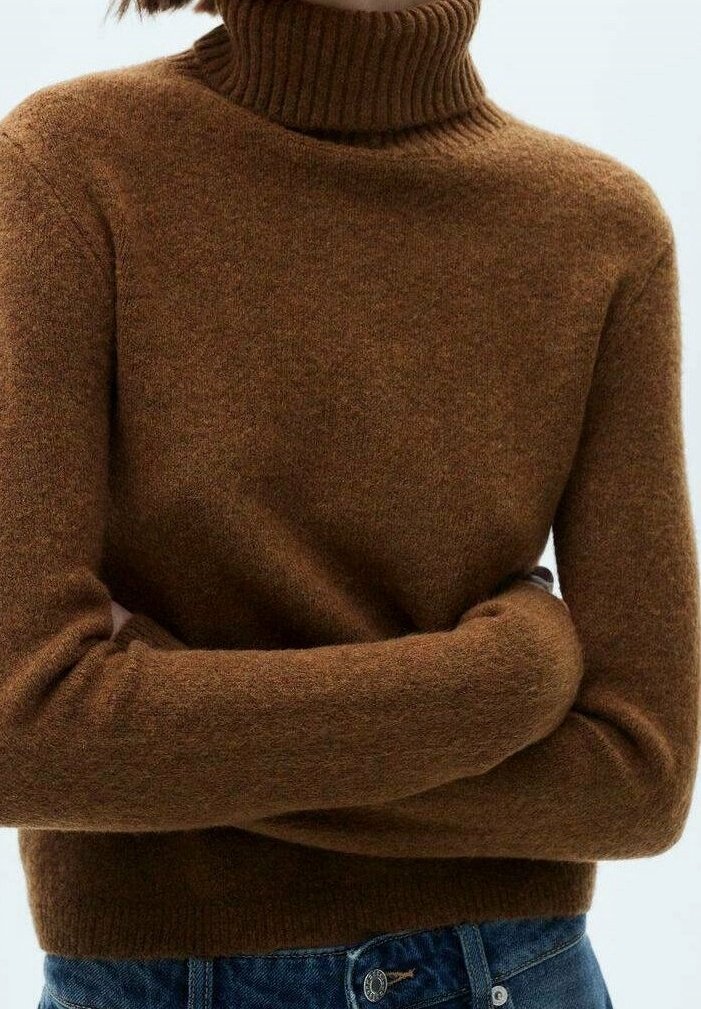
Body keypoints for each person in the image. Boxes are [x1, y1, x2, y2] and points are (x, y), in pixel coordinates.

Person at [0, 0, 698, 1006]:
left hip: (512, 971)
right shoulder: (71, 166)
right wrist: (505, 679)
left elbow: (637, 779)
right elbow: (23, 737)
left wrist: (160, 739)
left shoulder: (600, 229)